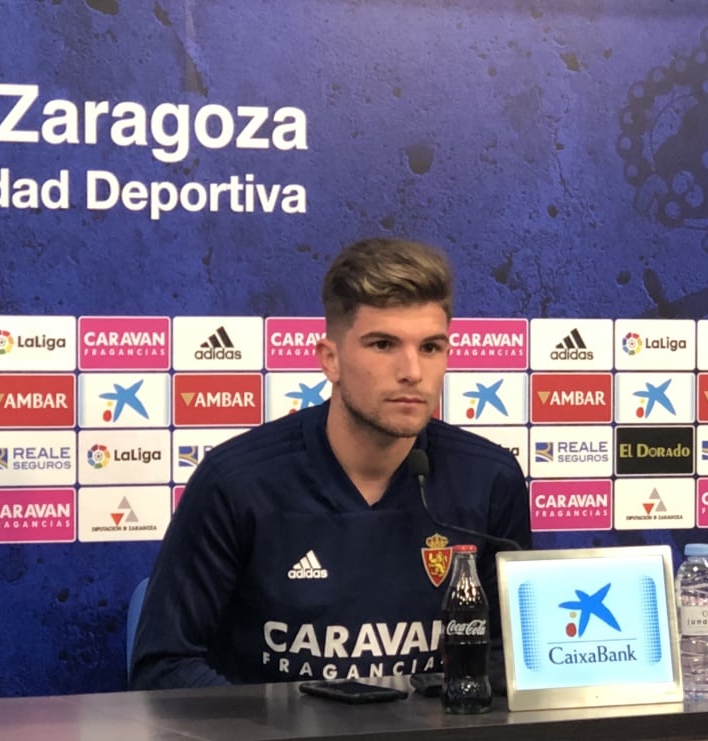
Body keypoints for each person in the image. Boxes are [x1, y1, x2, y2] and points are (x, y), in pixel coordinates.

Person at [130, 237, 530, 689]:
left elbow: (516, 665)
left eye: (431, 348)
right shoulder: (236, 482)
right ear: (331, 360)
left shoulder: (491, 479)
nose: (412, 371)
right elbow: (164, 666)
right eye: (383, 345)